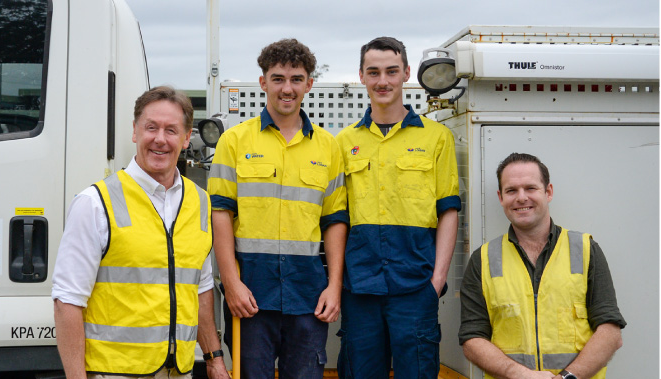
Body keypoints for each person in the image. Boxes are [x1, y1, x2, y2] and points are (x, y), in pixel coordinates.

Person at [52, 86, 229, 379]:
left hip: (178, 372)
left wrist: (213, 358)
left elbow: (200, 286)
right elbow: (67, 301)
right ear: (135, 131)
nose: (160, 139)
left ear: (186, 139)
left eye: (171, 130)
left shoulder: (200, 202)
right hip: (114, 373)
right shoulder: (96, 203)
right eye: (151, 128)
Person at [208, 38, 348, 378]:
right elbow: (220, 214)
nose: (287, 88)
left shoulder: (329, 147)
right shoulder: (235, 141)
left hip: (308, 294)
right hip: (250, 293)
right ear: (263, 82)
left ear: (309, 84)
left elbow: (335, 221)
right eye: (278, 78)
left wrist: (334, 286)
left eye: (296, 79)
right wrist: (231, 283)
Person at [335, 36, 461, 378]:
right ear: (361, 76)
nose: (383, 81)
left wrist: (436, 282)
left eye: (392, 71)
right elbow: (337, 219)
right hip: (359, 287)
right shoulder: (343, 143)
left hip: (416, 286)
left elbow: (448, 211)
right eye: (373, 72)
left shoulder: (436, 138)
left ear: (406, 73)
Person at [459, 152, 625, 379]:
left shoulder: (586, 250)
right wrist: (519, 374)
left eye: (530, 188)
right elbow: (471, 338)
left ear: (548, 192)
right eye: (511, 190)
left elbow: (610, 332)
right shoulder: (483, 259)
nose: (521, 198)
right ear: (500, 197)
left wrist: (567, 377)